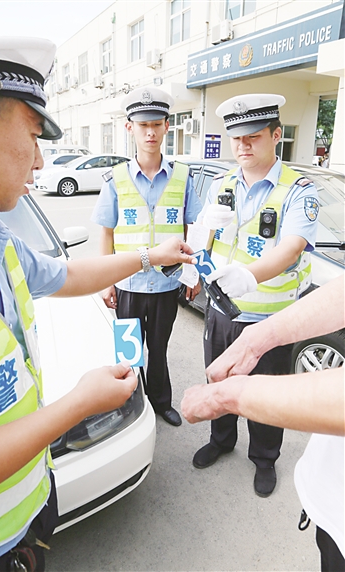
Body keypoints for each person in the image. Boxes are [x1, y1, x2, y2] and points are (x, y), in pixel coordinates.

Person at [0, 37, 197, 572]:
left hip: (28, 517)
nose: (41, 161)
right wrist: (77, 406)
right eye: (33, 136)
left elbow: (67, 274)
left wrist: (150, 256)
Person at [192, 93, 319, 497]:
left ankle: (264, 458)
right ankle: (221, 439)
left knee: (266, 396)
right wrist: (201, 235)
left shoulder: (298, 190)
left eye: (253, 136)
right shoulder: (222, 184)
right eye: (236, 138)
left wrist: (249, 274)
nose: (243, 145)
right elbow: (204, 240)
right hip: (221, 312)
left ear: (276, 135)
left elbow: (291, 248)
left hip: (270, 320)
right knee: (218, 380)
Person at [181, 274, 345, 571]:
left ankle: (265, 459)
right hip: (332, 504)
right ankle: (222, 441)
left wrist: (228, 397)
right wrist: (257, 339)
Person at [91, 86, 202, 427]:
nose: (150, 132)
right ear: (130, 128)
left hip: (166, 286)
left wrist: (193, 275)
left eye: (156, 124)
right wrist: (106, 282)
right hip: (128, 286)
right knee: (128, 355)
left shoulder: (182, 177)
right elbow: (107, 233)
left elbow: (192, 229)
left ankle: (160, 403)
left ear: (167, 126)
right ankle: (129, 408)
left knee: (159, 349)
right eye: (143, 125)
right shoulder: (115, 179)